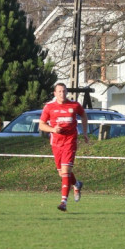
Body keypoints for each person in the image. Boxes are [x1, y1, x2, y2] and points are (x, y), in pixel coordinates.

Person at [38, 82, 90, 211]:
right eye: (59, 91)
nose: (62, 93)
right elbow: (41, 125)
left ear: (67, 92)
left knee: (66, 171)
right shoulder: (49, 107)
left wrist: (84, 132)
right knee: (63, 174)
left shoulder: (74, 105)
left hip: (70, 141)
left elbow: (84, 115)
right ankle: (77, 184)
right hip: (56, 143)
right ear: (55, 93)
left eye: (64, 91)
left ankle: (63, 202)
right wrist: (53, 130)